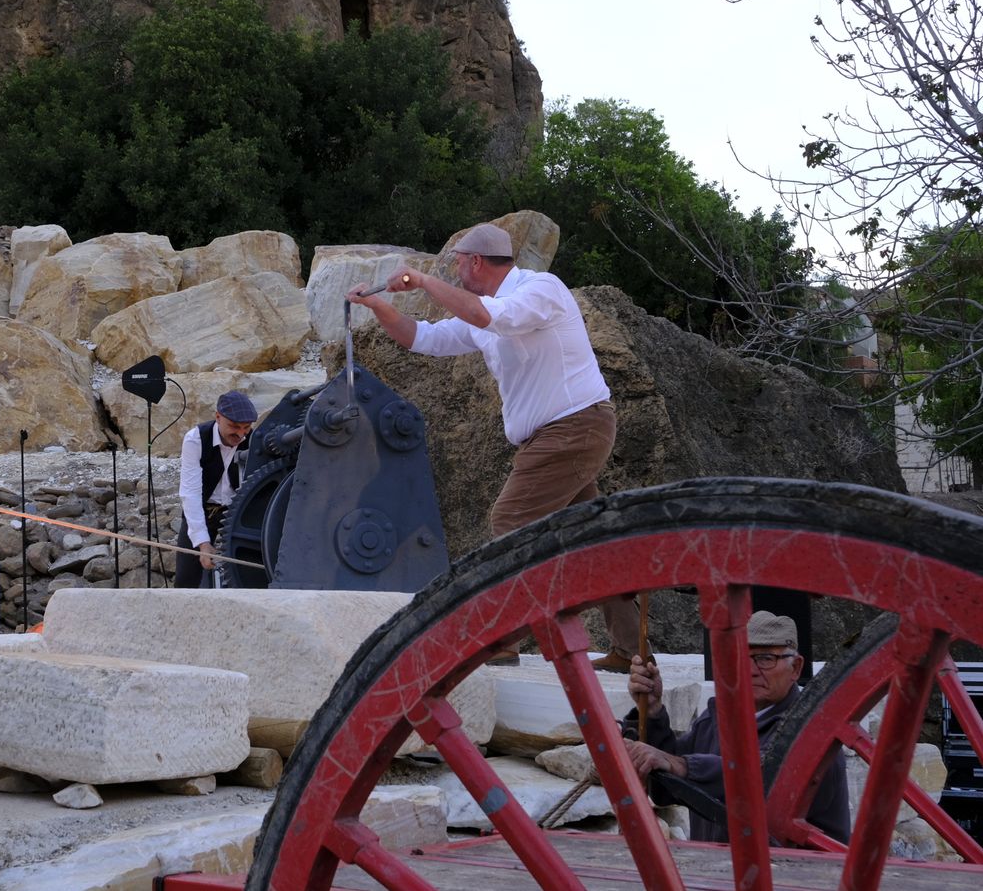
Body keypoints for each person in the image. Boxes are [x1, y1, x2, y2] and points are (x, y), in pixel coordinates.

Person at [347, 221, 635, 670]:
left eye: (458, 263)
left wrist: (423, 280)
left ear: (475, 262)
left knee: (511, 520)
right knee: (590, 539)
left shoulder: (542, 289)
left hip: (575, 427)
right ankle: (631, 649)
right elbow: (422, 338)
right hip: (559, 435)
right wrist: (377, 305)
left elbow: (487, 316)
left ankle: (503, 640)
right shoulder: (482, 308)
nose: (456, 270)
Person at [621, 610, 851, 843]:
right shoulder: (716, 720)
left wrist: (681, 765)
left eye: (766, 659)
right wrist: (651, 713)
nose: (751, 670)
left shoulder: (812, 732)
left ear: (796, 668)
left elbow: (765, 777)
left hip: (794, 876)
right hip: (720, 875)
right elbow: (667, 788)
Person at [173, 390, 255, 588]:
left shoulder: (254, 440)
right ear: (218, 417)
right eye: (234, 426)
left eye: (246, 427)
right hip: (203, 509)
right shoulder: (196, 439)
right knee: (187, 578)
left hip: (237, 512)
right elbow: (190, 493)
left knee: (247, 574)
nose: (241, 434)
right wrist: (202, 542)